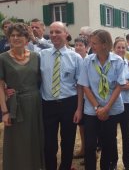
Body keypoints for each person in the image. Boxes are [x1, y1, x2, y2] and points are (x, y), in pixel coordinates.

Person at [77, 29, 125, 170]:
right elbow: (85, 85)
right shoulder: (88, 60)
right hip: (92, 110)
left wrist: (107, 108)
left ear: (105, 44)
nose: (91, 46)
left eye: (94, 43)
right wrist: (98, 108)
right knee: (90, 144)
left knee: (108, 144)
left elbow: (118, 86)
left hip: (112, 109)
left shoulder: (118, 61)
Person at [0, 23, 44, 170]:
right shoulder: (3, 58)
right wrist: (5, 112)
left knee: (34, 139)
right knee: (17, 141)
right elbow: (0, 86)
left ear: (27, 38)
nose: (15, 38)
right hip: (15, 105)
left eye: (19, 35)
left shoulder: (36, 57)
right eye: (12, 35)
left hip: (35, 103)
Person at [40, 21, 84, 170]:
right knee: (49, 144)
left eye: (57, 32)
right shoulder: (42, 55)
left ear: (66, 34)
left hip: (69, 104)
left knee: (68, 141)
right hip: (48, 104)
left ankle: (65, 167)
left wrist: (79, 109)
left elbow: (80, 85)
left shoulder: (76, 58)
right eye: (51, 32)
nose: (53, 35)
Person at [111, 37, 129, 170]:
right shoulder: (109, 64)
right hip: (112, 103)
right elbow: (106, 85)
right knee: (111, 135)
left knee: (127, 135)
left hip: (126, 103)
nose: (121, 50)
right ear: (113, 49)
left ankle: (128, 164)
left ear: (126, 50)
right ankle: (113, 162)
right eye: (118, 47)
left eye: (123, 48)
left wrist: (116, 85)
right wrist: (125, 83)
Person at [73, 36, 89, 163]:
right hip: (77, 97)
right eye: (76, 45)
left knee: (88, 127)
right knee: (81, 126)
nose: (77, 47)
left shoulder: (88, 60)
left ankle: (91, 152)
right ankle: (84, 148)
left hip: (88, 98)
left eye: (80, 45)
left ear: (86, 47)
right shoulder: (73, 59)